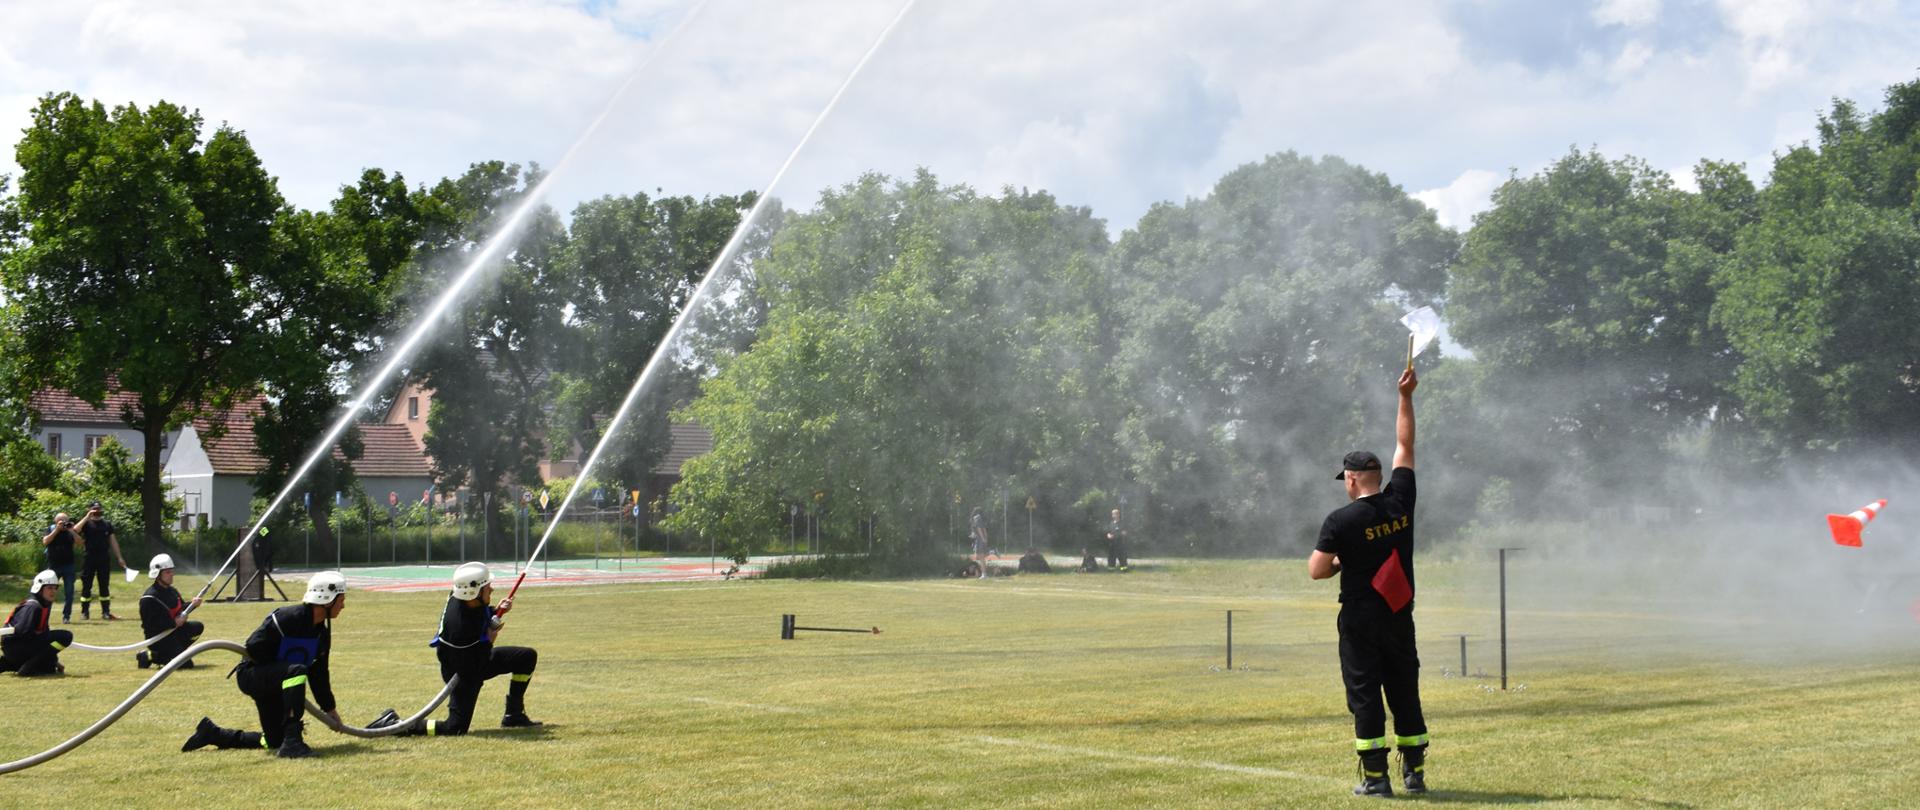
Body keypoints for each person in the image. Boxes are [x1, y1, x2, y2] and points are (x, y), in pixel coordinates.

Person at [1308, 367, 1427, 798]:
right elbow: (1405, 445)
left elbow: (1317, 570)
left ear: (1352, 479)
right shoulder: (1401, 500)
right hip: (1399, 615)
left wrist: (1341, 560)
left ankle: (1377, 780)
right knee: (1404, 691)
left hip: (1360, 619)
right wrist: (1406, 397)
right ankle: (1414, 773)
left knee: (1364, 695)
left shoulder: (1340, 520)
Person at [181, 571, 349, 759]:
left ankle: (214, 734)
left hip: (279, 682)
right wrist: (282, 669)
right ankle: (293, 741)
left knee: (274, 741)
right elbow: (253, 646)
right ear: (327, 600)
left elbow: (319, 675)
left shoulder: (321, 634)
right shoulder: (286, 618)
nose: (343, 606)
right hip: (253, 675)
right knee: (296, 670)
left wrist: (329, 709)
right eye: (340, 600)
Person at [382, 562, 540, 736]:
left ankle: (514, 714)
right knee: (455, 728)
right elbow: (476, 661)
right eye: (488, 588)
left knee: (526, 657)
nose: (492, 590)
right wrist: (490, 639)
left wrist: (496, 610)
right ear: (474, 592)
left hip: (474, 657)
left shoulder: (464, 599)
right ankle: (403, 726)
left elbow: (479, 615)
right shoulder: (461, 628)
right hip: (463, 672)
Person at [136, 554, 204, 670]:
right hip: (160, 638)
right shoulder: (149, 598)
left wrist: (193, 604)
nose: (171, 574)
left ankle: (176, 653)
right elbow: (150, 625)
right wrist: (174, 623)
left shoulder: (172, 591)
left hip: (174, 632)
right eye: (167, 572)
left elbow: (181, 609)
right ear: (157, 574)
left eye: (172, 571)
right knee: (186, 665)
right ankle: (150, 656)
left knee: (197, 627)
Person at [1, 570, 75, 676]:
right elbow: (23, 632)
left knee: (49, 668)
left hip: (15, 649)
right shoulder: (33, 607)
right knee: (66, 636)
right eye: (49, 588)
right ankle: (27, 668)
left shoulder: (43, 605)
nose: (53, 591)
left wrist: (54, 661)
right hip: (17, 647)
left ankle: (8, 664)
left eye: (55, 588)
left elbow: (42, 633)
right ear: (39, 589)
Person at [76, 501, 131, 621]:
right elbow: (75, 529)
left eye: (98, 509)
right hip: (89, 557)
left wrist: (119, 557)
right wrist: (87, 516)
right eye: (94, 509)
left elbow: (113, 542)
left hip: (104, 558)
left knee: (104, 585)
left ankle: (106, 612)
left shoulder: (106, 524)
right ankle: (85, 612)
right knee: (87, 585)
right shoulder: (86, 523)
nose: (96, 511)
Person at [40, 513, 80, 623]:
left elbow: (80, 542)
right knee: (48, 592)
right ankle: (45, 616)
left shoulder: (70, 531)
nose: (63, 523)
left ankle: (66, 616)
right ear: (55, 521)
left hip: (68, 565)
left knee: (69, 592)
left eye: (65, 520)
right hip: (54, 566)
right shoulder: (50, 529)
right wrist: (57, 530)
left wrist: (71, 530)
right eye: (61, 521)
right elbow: (45, 541)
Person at [969, 507, 991, 580]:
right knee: (980, 557)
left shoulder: (976, 518)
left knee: (980, 557)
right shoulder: (981, 518)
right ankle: (984, 573)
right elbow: (984, 529)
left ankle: (984, 574)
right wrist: (985, 539)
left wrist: (982, 538)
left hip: (979, 539)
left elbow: (979, 529)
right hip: (981, 539)